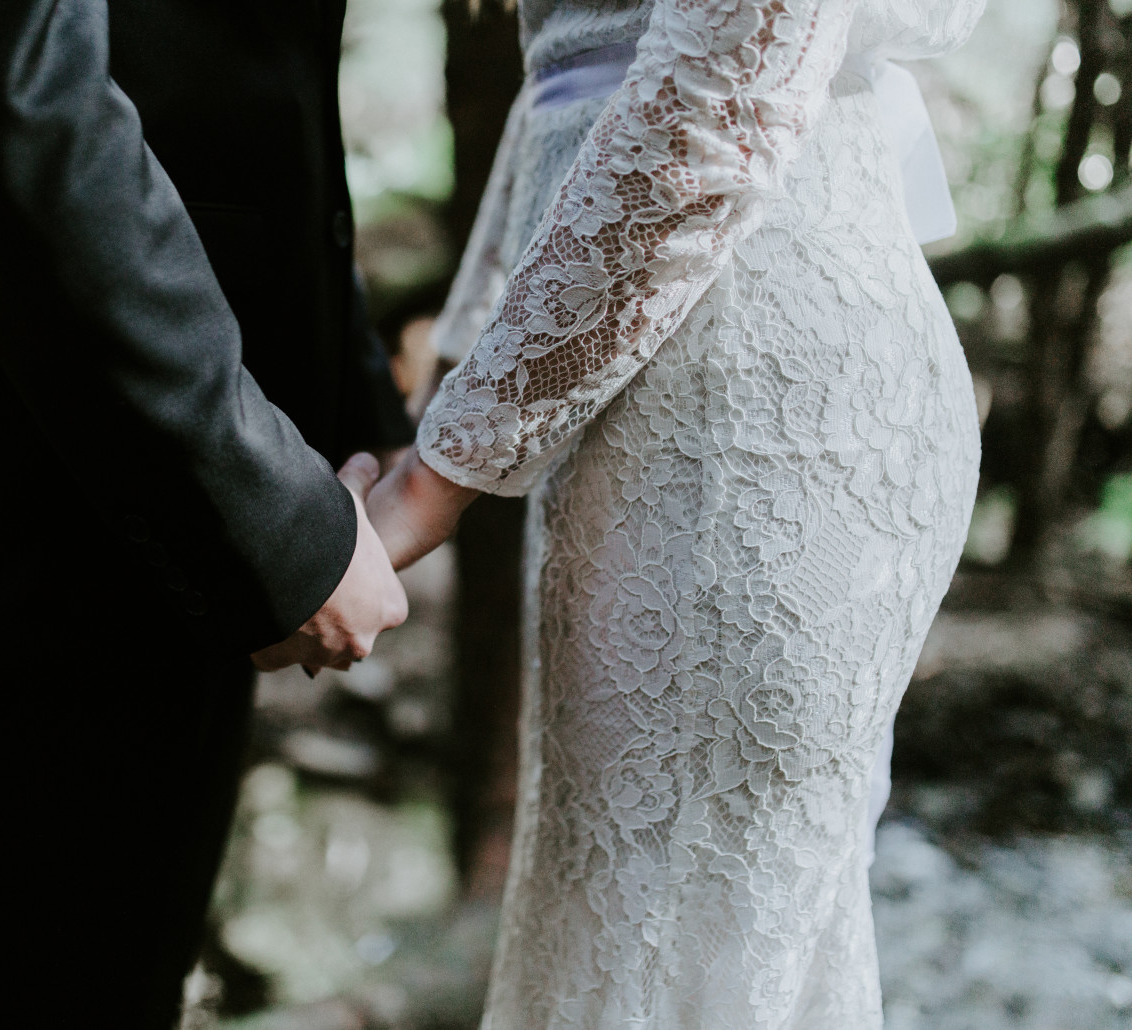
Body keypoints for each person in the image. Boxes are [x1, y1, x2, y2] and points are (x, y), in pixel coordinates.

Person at [366, 0, 985, 1025]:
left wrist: (436, 475)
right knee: (667, 934)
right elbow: (565, 80)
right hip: (690, 354)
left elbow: (712, 96)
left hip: (731, 390)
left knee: (680, 947)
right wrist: (451, 374)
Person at [0, 0, 412, 1025]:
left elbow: (247, 78)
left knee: (122, 975)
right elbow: (8, 101)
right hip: (36, 474)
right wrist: (263, 514)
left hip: (194, 444)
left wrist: (348, 411)